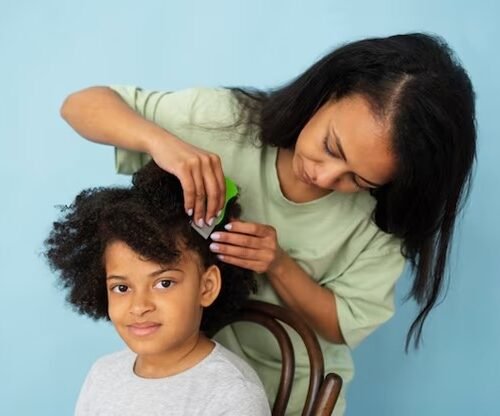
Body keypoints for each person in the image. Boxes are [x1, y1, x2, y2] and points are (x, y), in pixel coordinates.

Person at [60, 33, 477, 415]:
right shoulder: (221, 121)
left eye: (359, 179)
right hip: (177, 381)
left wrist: (278, 263)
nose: (327, 176)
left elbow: (341, 324)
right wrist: (160, 142)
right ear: (328, 92)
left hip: (290, 397)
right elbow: (80, 105)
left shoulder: (377, 220)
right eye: (331, 147)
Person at [44, 161, 271, 416]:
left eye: (164, 283)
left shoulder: (232, 394)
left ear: (207, 287)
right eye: (121, 287)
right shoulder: (103, 374)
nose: (140, 306)